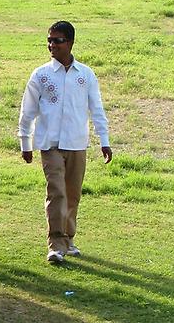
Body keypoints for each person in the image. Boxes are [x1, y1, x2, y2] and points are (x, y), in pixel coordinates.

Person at [18, 21, 112, 264]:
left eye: (57, 41)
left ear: (70, 43)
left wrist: (104, 141)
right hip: (50, 144)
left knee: (72, 194)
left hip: (77, 143)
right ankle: (55, 243)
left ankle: (68, 240)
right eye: (49, 40)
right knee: (56, 192)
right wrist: (25, 143)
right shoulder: (41, 75)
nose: (52, 45)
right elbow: (27, 111)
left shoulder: (86, 75)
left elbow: (97, 109)